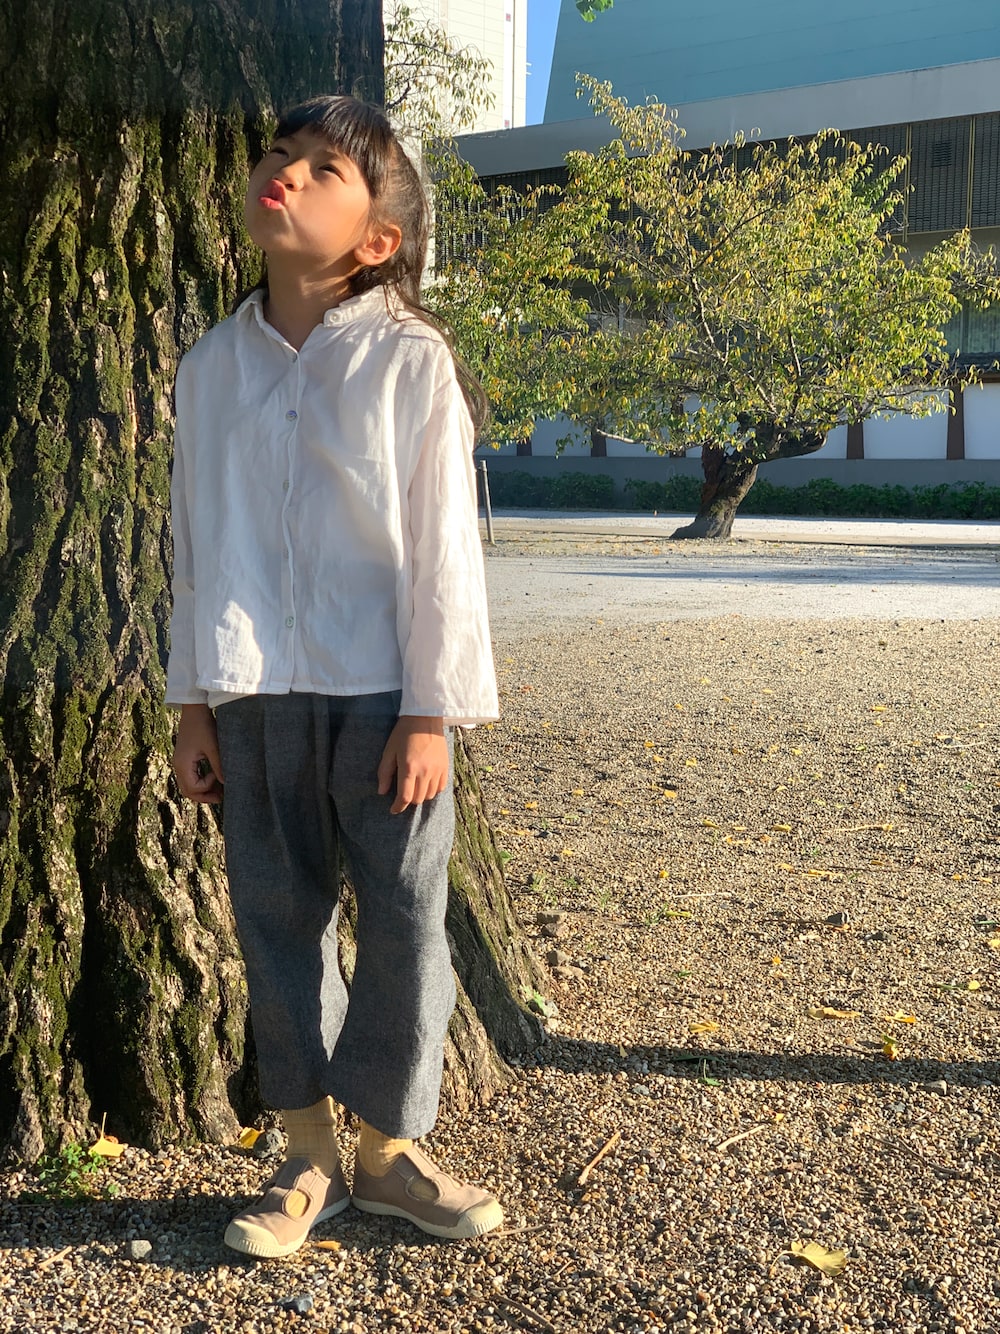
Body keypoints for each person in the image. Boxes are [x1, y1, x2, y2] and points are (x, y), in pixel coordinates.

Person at [165, 95, 501, 1259]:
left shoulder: (409, 358)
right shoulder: (211, 366)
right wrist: (190, 702)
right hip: (252, 691)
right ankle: (307, 1149)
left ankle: (392, 1148)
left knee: (405, 918)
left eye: (324, 169)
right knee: (276, 915)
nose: (289, 174)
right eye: (281, 155)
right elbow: (192, 540)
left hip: (385, 694)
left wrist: (432, 710)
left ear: (377, 238)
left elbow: (445, 544)